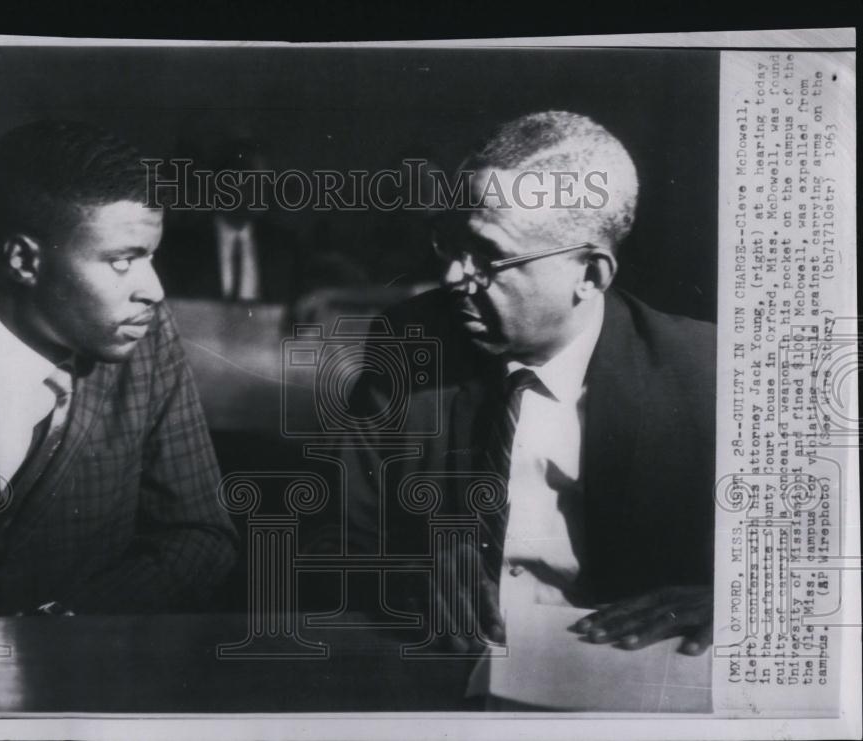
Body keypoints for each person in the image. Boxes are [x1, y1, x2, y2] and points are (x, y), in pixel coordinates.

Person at [341, 111, 715, 656]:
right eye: (452, 243)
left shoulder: (705, 371)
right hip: (449, 666)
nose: (453, 278)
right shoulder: (410, 342)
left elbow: (817, 560)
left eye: (490, 257)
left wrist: (737, 597)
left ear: (591, 275)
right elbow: (332, 537)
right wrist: (404, 571)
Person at [0, 120, 238, 617]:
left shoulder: (147, 338)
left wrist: (70, 623)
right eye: (123, 261)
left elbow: (200, 533)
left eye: (152, 256)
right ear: (23, 260)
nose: (154, 290)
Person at [155, 137, 302, 305]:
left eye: (264, 181)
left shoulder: (283, 245)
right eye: (250, 181)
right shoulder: (181, 245)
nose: (260, 192)